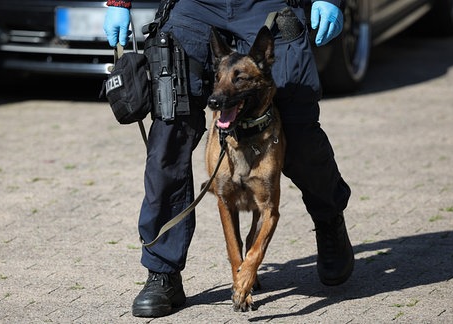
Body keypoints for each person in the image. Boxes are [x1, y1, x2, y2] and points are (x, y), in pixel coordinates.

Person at [104, 0, 354, 318]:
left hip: (270, 4)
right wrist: (117, 3)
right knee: (169, 134)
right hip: (195, 6)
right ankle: (162, 270)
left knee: (299, 128)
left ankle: (329, 218)